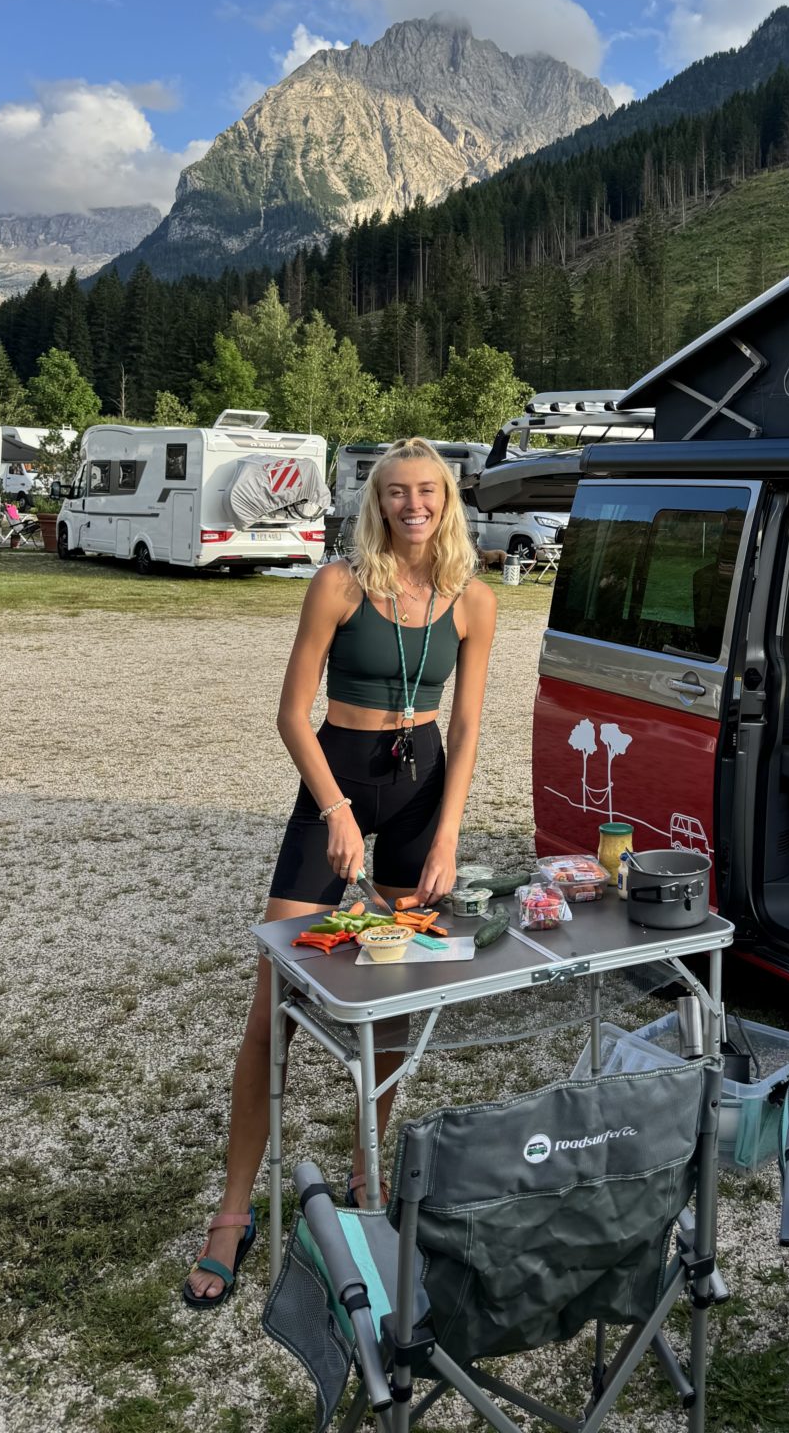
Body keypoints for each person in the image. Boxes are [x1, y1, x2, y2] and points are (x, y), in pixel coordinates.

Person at [182, 437, 497, 1307]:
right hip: (338, 784)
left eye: (427, 491)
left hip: (419, 799)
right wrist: (334, 810)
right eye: (397, 492)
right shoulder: (339, 583)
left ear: (447, 498)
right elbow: (292, 713)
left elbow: (466, 729)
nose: (412, 505)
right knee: (273, 1003)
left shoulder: (472, 599)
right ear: (377, 500)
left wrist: (447, 838)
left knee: (387, 995)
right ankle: (233, 1212)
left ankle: (368, 1177)